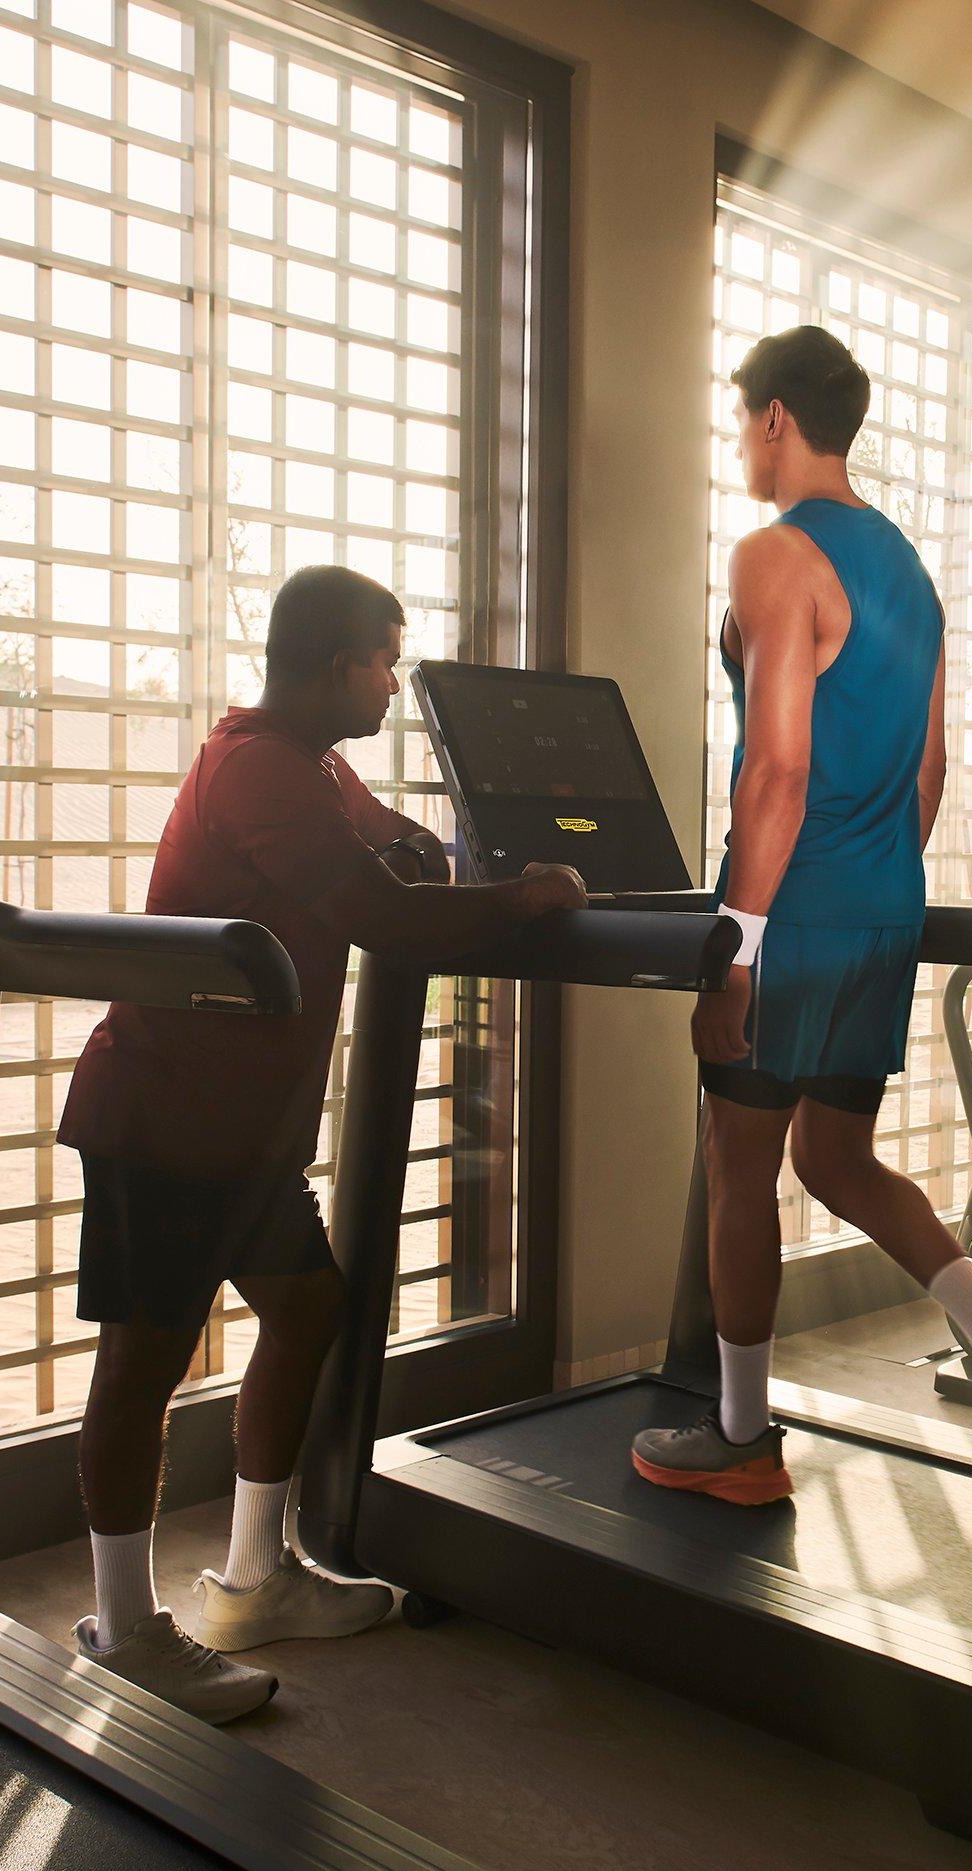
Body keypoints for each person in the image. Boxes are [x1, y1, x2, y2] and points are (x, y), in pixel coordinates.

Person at [58, 565, 585, 1720]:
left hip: (246, 1137)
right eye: (385, 660)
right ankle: (123, 1630)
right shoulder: (252, 767)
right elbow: (374, 911)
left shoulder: (320, 769)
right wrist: (516, 899)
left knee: (308, 1312)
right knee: (142, 1365)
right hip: (165, 1120)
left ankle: (254, 1578)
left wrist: (458, 864)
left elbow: (406, 853)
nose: (394, 682)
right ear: (334, 662)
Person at [632, 325, 972, 1509]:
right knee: (833, 1157)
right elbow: (929, 772)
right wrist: (872, 891)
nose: (742, 444)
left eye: (744, 422)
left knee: (740, 1169)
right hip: (883, 903)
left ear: (775, 418)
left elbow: (777, 771)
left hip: (792, 911)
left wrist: (738, 946)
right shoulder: (909, 572)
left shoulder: (775, 557)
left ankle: (741, 1440)